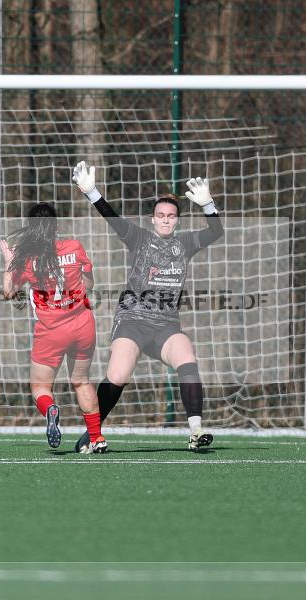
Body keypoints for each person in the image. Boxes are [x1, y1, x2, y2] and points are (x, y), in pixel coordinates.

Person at [71, 161, 225, 451]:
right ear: (153, 219)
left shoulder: (186, 244)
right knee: (118, 376)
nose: (166, 220)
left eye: (171, 216)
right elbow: (113, 219)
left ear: (177, 220)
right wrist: (92, 193)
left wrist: (209, 205)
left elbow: (216, 232)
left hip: (166, 326)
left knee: (187, 360)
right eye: (160, 215)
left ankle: (195, 432)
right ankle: (92, 433)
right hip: (132, 322)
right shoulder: (139, 238)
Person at [0, 202, 107, 454]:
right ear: (55, 226)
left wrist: (9, 261)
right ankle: (97, 438)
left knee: (40, 387)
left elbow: (8, 292)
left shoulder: (27, 260)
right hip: (83, 327)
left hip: (51, 332)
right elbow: (89, 284)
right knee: (81, 381)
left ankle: (51, 410)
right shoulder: (74, 246)